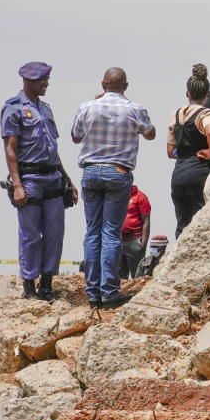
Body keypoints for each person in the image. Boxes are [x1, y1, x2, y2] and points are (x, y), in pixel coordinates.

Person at [71, 68, 156, 308]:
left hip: (90, 171)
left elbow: (76, 136)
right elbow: (150, 133)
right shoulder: (134, 109)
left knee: (92, 231)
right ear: (126, 86)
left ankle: (92, 292)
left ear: (102, 84)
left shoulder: (87, 107)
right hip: (117, 172)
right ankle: (109, 291)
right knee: (111, 233)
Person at [0, 61, 76, 300]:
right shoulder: (13, 108)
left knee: (55, 232)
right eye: (43, 80)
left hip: (52, 176)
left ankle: (46, 284)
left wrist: (67, 178)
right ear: (30, 81)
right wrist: (18, 185)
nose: (47, 84)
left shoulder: (46, 109)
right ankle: (29, 287)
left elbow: (53, 148)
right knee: (30, 234)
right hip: (29, 178)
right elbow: (10, 150)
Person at [167, 64, 210, 236]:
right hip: (199, 172)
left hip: (179, 174)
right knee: (201, 224)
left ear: (187, 93)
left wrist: (182, 154)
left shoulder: (176, 115)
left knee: (182, 224)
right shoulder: (206, 113)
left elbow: (170, 151)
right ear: (208, 95)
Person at [119, 185, 151, 279]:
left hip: (134, 240)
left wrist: (143, 244)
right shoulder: (116, 195)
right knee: (118, 277)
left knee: (137, 276)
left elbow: (146, 221)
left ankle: (138, 293)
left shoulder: (140, 197)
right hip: (117, 240)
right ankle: (120, 293)